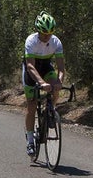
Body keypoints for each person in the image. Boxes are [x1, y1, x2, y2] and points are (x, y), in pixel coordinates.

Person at [22, 11, 65, 157]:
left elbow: (61, 68)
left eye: (50, 34)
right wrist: (41, 83)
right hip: (32, 71)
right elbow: (30, 66)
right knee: (32, 105)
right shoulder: (31, 41)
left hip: (46, 67)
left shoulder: (56, 42)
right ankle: (29, 141)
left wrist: (59, 81)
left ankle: (50, 111)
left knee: (55, 88)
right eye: (44, 34)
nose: (47, 37)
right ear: (38, 31)